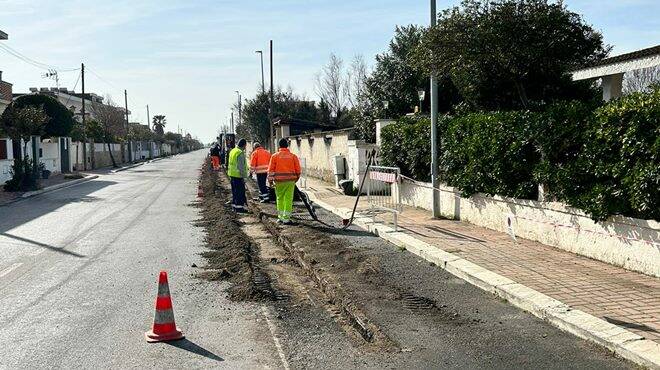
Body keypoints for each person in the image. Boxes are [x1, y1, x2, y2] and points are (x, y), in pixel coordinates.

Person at [268, 138, 301, 225]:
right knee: (288, 199)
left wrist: (270, 181)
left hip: (278, 181)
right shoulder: (293, 156)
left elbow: (271, 170)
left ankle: (280, 217)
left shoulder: (274, 156)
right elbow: (298, 170)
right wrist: (296, 179)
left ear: (279, 146)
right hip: (290, 181)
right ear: (287, 145)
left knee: (279, 198)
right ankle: (286, 218)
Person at [227, 139, 249, 213]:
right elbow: (241, 167)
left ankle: (234, 206)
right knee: (240, 192)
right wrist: (244, 176)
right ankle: (239, 208)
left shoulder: (233, 151)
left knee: (235, 191)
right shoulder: (240, 153)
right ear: (244, 145)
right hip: (238, 176)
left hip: (232, 174)